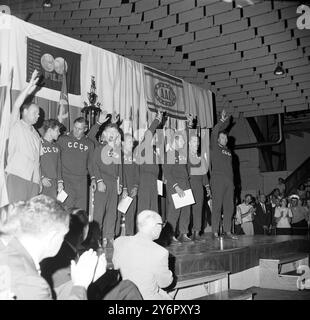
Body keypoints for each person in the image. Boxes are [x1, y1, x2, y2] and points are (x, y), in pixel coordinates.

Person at [0, 195, 102, 300]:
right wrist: (81, 285)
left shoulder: (5, 249)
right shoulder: (33, 285)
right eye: (63, 236)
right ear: (53, 237)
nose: (63, 241)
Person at [112, 210, 173, 300]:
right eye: (161, 225)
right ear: (155, 227)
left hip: (125, 295)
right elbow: (164, 283)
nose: (162, 228)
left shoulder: (120, 242)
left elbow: (116, 266)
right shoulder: (160, 252)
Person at [5, 70, 41, 203]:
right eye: (35, 112)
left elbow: (38, 160)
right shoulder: (16, 125)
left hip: (34, 181)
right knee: (15, 215)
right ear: (24, 112)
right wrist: (30, 85)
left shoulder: (36, 135)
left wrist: (38, 180)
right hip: (17, 176)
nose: (38, 115)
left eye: (39, 114)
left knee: (29, 218)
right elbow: (16, 105)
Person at [92, 123, 122, 247]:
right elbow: (94, 165)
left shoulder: (117, 150)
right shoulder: (99, 148)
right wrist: (99, 181)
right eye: (109, 133)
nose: (111, 135)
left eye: (114, 133)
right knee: (99, 212)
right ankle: (95, 238)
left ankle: (109, 237)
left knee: (112, 212)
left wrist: (120, 184)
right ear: (104, 135)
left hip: (113, 184)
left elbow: (120, 169)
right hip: (102, 182)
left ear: (117, 136)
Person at [57, 117, 96, 211]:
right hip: (66, 180)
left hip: (82, 181)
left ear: (85, 129)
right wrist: (59, 180)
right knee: (66, 210)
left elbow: (91, 163)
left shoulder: (89, 144)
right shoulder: (62, 139)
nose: (76, 130)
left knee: (80, 211)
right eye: (75, 127)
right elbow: (57, 161)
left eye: (79, 129)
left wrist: (93, 178)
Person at [210, 109, 237, 239]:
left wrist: (233, 183)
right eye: (222, 137)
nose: (225, 139)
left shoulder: (229, 151)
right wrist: (223, 120)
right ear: (217, 139)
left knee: (229, 207)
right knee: (217, 206)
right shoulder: (215, 147)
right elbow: (215, 131)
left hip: (229, 182)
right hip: (217, 180)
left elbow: (231, 169)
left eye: (226, 137)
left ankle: (227, 231)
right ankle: (215, 231)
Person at [163, 129, 192, 244]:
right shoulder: (169, 153)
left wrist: (187, 187)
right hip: (175, 186)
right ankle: (170, 236)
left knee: (186, 210)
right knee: (174, 211)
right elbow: (168, 173)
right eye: (182, 140)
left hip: (185, 185)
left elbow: (185, 172)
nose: (184, 143)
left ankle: (183, 234)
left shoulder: (181, 155)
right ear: (176, 139)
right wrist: (177, 187)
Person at [187, 116, 210, 242]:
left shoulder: (201, 158)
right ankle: (184, 232)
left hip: (198, 186)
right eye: (194, 142)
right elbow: (187, 137)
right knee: (186, 210)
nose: (196, 144)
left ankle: (196, 232)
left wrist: (207, 186)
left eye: (198, 143)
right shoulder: (185, 155)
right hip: (188, 184)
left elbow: (204, 174)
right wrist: (191, 126)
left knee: (198, 209)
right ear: (190, 143)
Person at [40, 119, 64, 198]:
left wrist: (60, 182)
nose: (59, 133)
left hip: (53, 184)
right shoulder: (38, 143)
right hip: (41, 182)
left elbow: (59, 165)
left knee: (51, 208)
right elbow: (34, 162)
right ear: (50, 130)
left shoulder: (57, 147)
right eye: (57, 131)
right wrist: (42, 177)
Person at [121, 133, 139, 236]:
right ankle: (114, 237)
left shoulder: (133, 158)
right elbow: (119, 173)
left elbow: (137, 173)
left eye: (132, 142)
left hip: (132, 190)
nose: (132, 144)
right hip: (122, 189)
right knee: (117, 214)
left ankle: (130, 235)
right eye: (129, 142)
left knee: (131, 214)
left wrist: (136, 186)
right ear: (123, 143)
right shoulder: (119, 156)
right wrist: (124, 188)